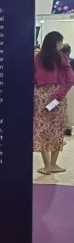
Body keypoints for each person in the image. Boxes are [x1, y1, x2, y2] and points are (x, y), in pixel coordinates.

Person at [34, 31, 74, 174]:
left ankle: (47, 167)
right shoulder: (62, 58)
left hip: (40, 98)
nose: (61, 45)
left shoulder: (37, 58)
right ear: (56, 42)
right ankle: (53, 165)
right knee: (57, 131)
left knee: (41, 130)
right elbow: (71, 79)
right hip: (57, 99)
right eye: (61, 42)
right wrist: (58, 95)